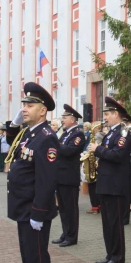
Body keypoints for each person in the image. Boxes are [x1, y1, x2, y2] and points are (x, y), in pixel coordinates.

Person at [5, 82, 59, 263]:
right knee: (28, 255)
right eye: (24, 104)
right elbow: (11, 142)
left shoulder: (46, 137)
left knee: (37, 256)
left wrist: (38, 212)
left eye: (30, 105)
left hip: (33, 209)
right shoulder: (29, 133)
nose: (25, 108)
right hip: (23, 206)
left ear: (43, 110)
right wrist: (16, 122)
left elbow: (46, 181)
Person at [86, 97, 131, 263]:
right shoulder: (110, 133)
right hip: (106, 184)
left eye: (107, 114)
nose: (104, 117)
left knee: (115, 223)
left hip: (116, 185)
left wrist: (97, 150)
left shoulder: (123, 132)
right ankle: (110, 254)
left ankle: (118, 257)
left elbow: (118, 155)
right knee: (107, 223)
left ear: (116, 114)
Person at [52, 104, 85, 247]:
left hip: (69, 178)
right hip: (60, 176)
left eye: (64, 118)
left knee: (71, 209)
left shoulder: (78, 134)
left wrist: (54, 142)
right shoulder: (65, 133)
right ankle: (65, 233)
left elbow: (69, 151)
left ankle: (72, 236)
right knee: (63, 209)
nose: (62, 120)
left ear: (72, 119)